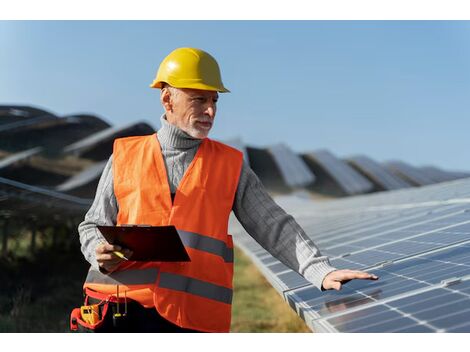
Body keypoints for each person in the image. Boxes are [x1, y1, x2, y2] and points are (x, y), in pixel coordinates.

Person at [75, 47, 378, 333]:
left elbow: (272, 223)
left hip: (190, 321)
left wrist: (320, 271)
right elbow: (91, 224)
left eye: (215, 101)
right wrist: (97, 251)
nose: (210, 110)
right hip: (118, 311)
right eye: (199, 99)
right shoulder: (126, 155)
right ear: (167, 100)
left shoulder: (230, 164)